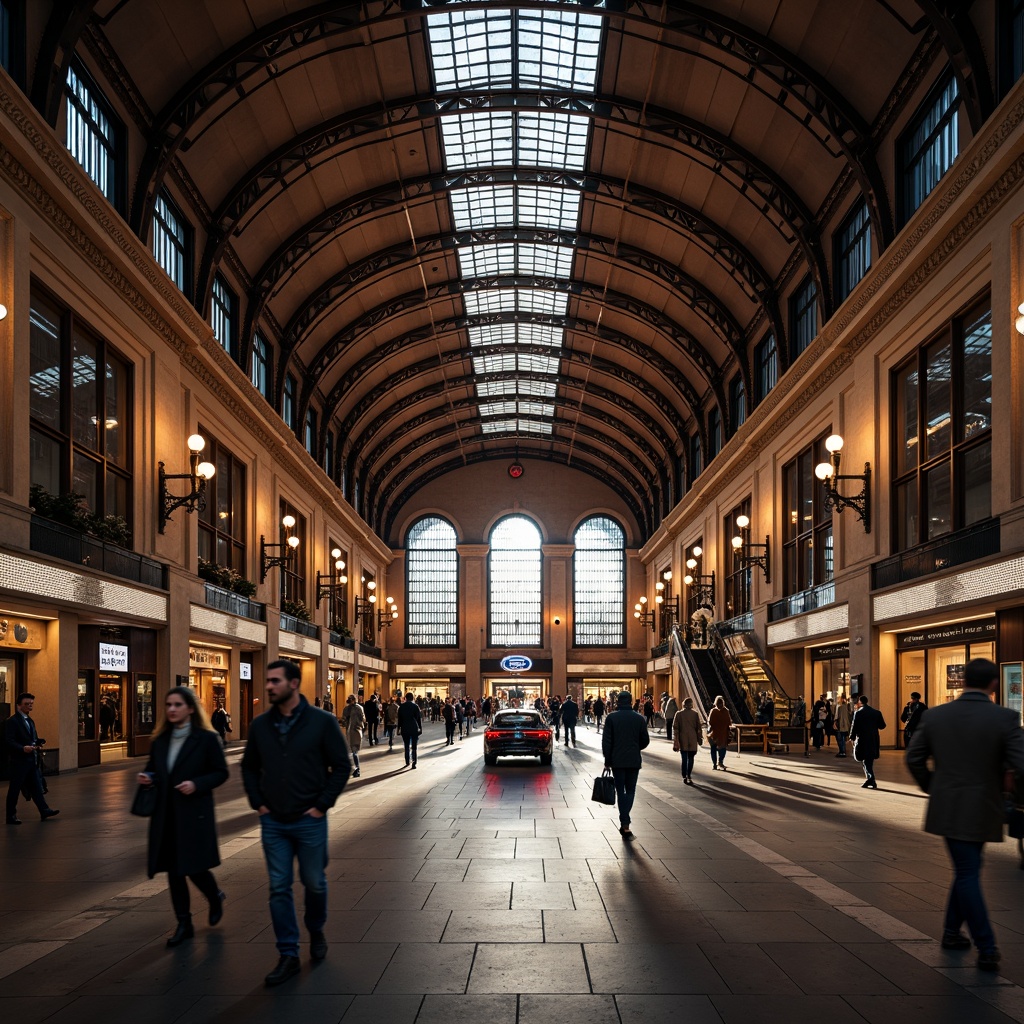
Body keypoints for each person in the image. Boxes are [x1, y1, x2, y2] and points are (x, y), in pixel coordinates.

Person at [906, 658, 1024, 972]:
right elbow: (1021, 765)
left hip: (948, 804)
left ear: (962, 681)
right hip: (985, 805)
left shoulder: (935, 716)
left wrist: (934, 787)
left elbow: (914, 757)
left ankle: (951, 932)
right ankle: (986, 946)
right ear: (994, 684)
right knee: (969, 869)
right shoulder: (1006, 718)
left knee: (967, 868)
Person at [241, 659, 352, 987]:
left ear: (293, 684)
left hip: (309, 820)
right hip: (273, 820)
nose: (269, 686)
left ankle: (315, 928)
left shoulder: (322, 722)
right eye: (268, 681)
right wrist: (257, 802)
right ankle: (287, 953)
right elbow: (248, 767)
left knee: (315, 883)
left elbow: (341, 766)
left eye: (275, 681)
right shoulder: (260, 726)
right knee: (278, 886)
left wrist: (321, 806)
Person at [137, 686, 229, 948]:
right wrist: (148, 777)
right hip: (166, 814)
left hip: (193, 813)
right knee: (174, 872)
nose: (172, 709)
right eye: (169, 705)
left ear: (190, 708)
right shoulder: (161, 740)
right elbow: (153, 769)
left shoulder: (207, 739)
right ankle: (183, 923)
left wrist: (196, 784)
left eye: (178, 704)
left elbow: (220, 773)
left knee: (195, 867)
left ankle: (214, 896)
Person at [601, 690, 650, 840]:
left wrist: (607, 760)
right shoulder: (639, 719)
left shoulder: (611, 718)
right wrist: (635, 747)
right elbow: (645, 740)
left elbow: (607, 741)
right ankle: (625, 822)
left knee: (620, 789)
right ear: (630, 701)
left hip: (617, 761)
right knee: (630, 790)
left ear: (618, 702)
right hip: (633, 760)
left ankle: (625, 821)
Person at [5, 692, 59, 824]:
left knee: (36, 786)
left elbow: (32, 738)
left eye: (31, 704)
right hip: (19, 761)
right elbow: (8, 741)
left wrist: (38, 742)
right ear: (19, 706)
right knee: (15, 789)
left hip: (31, 760)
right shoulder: (12, 722)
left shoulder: (30, 721)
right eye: (26, 704)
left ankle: (44, 810)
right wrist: (22, 748)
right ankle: (10, 815)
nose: (30, 706)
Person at [849, 694, 886, 789]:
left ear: (860, 702)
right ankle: (870, 779)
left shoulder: (858, 713)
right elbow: (882, 726)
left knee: (865, 760)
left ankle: (871, 779)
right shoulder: (877, 712)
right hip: (873, 738)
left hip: (862, 738)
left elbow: (854, 726)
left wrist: (852, 737)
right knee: (869, 759)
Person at [672, 697, 703, 785]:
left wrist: (676, 739)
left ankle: (684, 775)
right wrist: (699, 738)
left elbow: (675, 728)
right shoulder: (695, 714)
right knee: (691, 758)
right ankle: (689, 774)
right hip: (693, 739)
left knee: (684, 758)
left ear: (683, 704)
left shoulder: (679, 714)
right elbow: (698, 728)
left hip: (683, 739)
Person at [341, 695, 366, 777]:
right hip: (350, 731)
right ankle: (355, 769)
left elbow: (362, 719)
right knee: (352, 751)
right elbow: (344, 719)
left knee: (354, 751)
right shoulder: (347, 709)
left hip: (356, 731)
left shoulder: (358, 708)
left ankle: (357, 769)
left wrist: (359, 726)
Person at [397, 691, 423, 768]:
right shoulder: (415, 706)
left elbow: (399, 719)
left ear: (405, 698)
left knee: (406, 745)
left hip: (404, 728)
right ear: (412, 698)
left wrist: (398, 729)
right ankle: (414, 761)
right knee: (414, 746)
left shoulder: (401, 707)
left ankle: (407, 760)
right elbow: (418, 719)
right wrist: (420, 728)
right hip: (413, 727)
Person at [707, 695, 732, 770]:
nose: (720, 705)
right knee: (722, 749)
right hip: (722, 733)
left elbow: (710, 722)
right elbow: (729, 722)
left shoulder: (713, 711)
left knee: (714, 749)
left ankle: (715, 763)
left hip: (714, 734)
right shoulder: (726, 711)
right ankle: (719, 762)